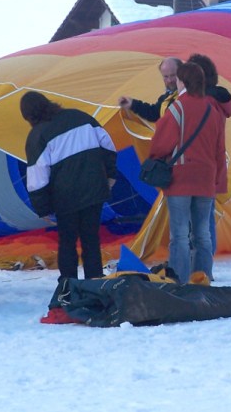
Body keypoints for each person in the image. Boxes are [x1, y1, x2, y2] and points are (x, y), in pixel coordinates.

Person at [21, 91, 117, 283]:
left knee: (67, 242)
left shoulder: (37, 135)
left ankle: (69, 286)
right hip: (94, 189)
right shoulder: (80, 116)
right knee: (91, 239)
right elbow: (108, 145)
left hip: (65, 198)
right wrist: (111, 174)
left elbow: (37, 177)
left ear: (29, 116)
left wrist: (43, 209)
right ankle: (95, 283)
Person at [148, 62, 225, 284]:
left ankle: (180, 280)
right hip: (206, 180)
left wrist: (155, 159)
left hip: (181, 179)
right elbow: (220, 149)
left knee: (180, 235)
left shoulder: (177, 108)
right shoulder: (212, 110)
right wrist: (216, 178)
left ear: (183, 81)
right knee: (203, 234)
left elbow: (161, 144)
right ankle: (203, 277)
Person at [188, 53, 231, 254]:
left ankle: (201, 266)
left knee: (198, 221)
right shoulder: (218, 101)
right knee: (204, 218)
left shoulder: (203, 102)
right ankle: (204, 265)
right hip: (212, 166)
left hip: (197, 166)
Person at [118, 57, 183, 121]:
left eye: (173, 75)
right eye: (166, 76)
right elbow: (154, 113)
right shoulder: (166, 97)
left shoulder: (188, 95)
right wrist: (132, 104)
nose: (169, 80)